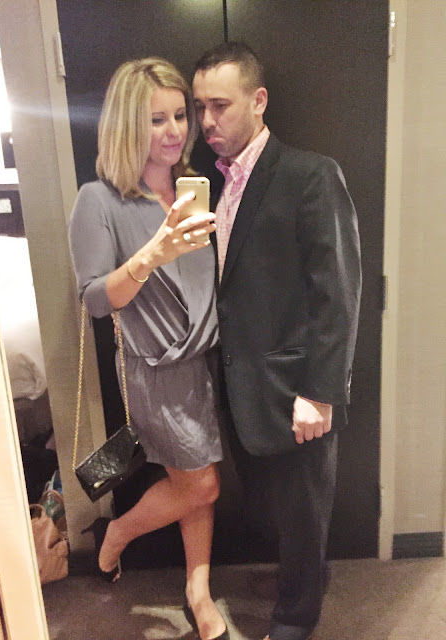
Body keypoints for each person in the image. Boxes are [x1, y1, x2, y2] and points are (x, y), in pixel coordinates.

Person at [192, 42, 362, 640]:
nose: (206, 120)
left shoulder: (309, 175)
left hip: (296, 389)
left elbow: (338, 292)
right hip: (241, 386)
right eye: (200, 107)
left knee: (302, 513)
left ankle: (296, 617)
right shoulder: (213, 185)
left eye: (220, 105)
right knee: (278, 514)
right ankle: (305, 577)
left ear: (258, 100)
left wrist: (321, 392)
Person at [68, 58, 229, 640]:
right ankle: (117, 534)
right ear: (126, 125)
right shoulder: (100, 200)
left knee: (195, 482)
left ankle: (198, 591)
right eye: (156, 119)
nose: (175, 130)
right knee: (202, 484)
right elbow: (94, 299)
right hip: (155, 370)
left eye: (180, 115)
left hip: (205, 365)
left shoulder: (196, 188)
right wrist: (150, 256)